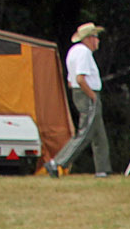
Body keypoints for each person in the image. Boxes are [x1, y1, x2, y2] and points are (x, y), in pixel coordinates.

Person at [47, 21, 110, 177]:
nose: (98, 41)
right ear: (88, 38)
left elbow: (71, 81)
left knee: (98, 134)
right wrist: (92, 96)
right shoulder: (83, 53)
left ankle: (102, 170)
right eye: (96, 37)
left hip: (80, 93)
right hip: (87, 94)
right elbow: (80, 79)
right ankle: (57, 162)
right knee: (85, 133)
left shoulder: (73, 52)